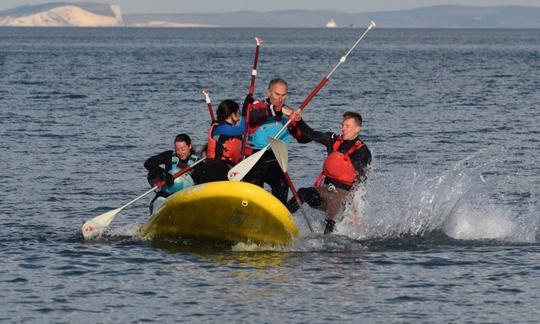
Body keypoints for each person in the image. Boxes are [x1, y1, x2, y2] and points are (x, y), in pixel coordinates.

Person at [286, 111, 371, 234]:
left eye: (347, 126)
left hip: (342, 196)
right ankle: (282, 216)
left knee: (330, 224)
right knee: (303, 193)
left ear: (358, 129)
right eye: (343, 125)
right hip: (325, 190)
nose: (343, 129)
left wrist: (355, 208)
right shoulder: (334, 140)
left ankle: (327, 245)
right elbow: (311, 134)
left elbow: (362, 181)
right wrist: (299, 121)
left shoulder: (362, 152)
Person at [241, 78, 305, 204]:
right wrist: (279, 110)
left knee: (282, 185)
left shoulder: (288, 113)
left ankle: (277, 215)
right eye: (277, 94)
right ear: (269, 93)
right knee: (253, 190)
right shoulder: (258, 106)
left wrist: (298, 122)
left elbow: (303, 139)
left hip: (276, 157)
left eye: (283, 95)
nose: (280, 99)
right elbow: (252, 116)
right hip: (255, 156)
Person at [144, 133, 199, 213]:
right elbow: (148, 163)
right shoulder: (169, 156)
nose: (180, 152)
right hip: (167, 194)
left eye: (183, 149)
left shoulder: (198, 162)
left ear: (189, 146)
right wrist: (164, 173)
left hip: (187, 196)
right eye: (177, 149)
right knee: (152, 173)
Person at [193, 99, 244, 183]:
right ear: (232, 114)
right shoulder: (220, 128)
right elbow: (242, 129)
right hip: (216, 168)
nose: (239, 117)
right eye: (239, 114)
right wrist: (245, 114)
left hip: (227, 166)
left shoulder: (229, 130)